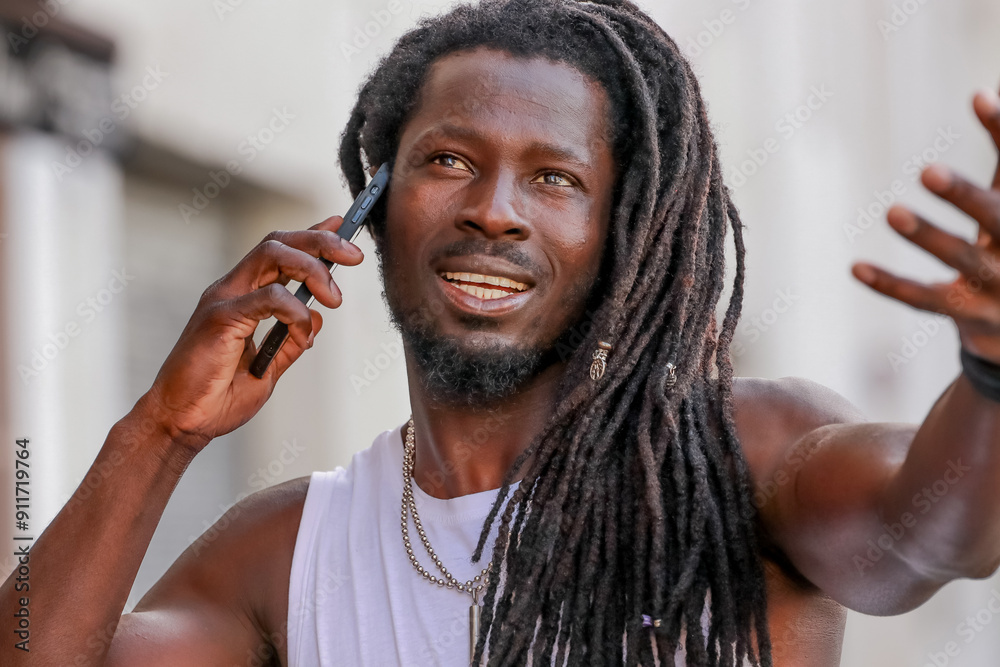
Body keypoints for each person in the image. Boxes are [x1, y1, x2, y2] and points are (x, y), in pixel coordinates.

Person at [4, 0, 1000, 665]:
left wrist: (989, 375)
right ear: (374, 206)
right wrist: (160, 432)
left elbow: (935, 532)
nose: (494, 210)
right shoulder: (286, 548)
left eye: (554, 177)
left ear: (620, 233)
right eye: (448, 161)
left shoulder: (741, 458)